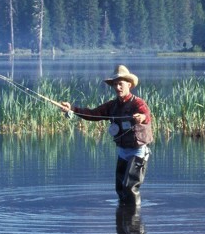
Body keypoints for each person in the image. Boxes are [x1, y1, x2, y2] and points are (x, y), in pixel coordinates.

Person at [56, 65, 153, 204]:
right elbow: (92, 114)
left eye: (120, 84)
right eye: (115, 84)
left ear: (129, 85)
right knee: (120, 188)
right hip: (123, 151)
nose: (117, 87)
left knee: (130, 187)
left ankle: (134, 220)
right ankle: (123, 220)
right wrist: (71, 108)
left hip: (138, 151)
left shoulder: (138, 103)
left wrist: (142, 118)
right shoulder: (112, 105)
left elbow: (146, 114)